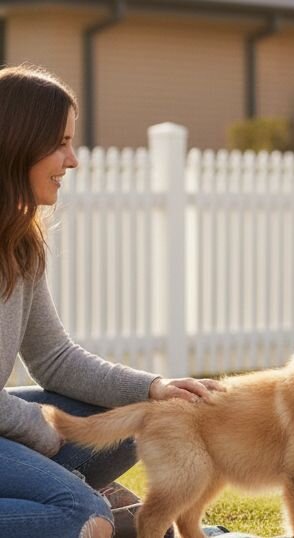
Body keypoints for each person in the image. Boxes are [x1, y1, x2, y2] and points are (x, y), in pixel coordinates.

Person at [0, 64, 225, 538]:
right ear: (18, 141)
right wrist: (40, 428)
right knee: (80, 518)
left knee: (141, 418)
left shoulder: (22, 242)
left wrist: (154, 389)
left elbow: (54, 359)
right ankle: (88, 508)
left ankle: (80, 500)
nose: (73, 160)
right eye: (60, 143)